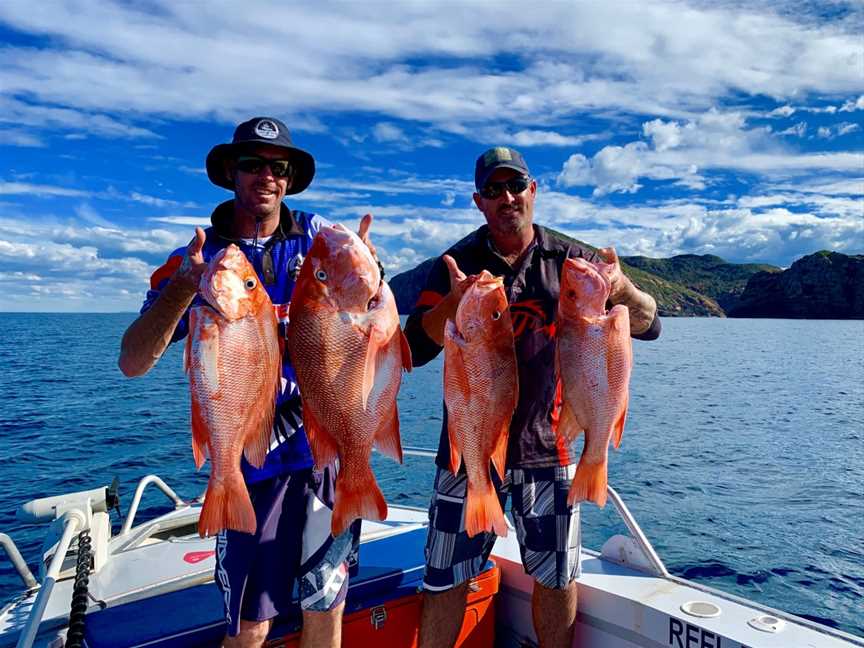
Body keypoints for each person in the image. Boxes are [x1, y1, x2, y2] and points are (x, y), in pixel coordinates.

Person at [118, 117, 368, 648]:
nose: (266, 176)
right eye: (252, 164)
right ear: (231, 171)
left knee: (326, 605)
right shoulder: (198, 260)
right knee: (250, 627)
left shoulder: (316, 239)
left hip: (324, 457)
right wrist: (185, 286)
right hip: (250, 472)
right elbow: (133, 362)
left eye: (278, 167)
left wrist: (367, 271)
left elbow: (371, 298)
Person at [404, 146, 661, 648]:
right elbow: (414, 347)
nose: (508, 198)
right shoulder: (456, 266)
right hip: (468, 450)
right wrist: (452, 306)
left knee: (557, 577)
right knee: (444, 579)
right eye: (495, 190)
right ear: (479, 201)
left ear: (534, 191)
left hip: (551, 450)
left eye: (516, 186)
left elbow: (650, 326)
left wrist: (626, 290)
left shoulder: (571, 262)